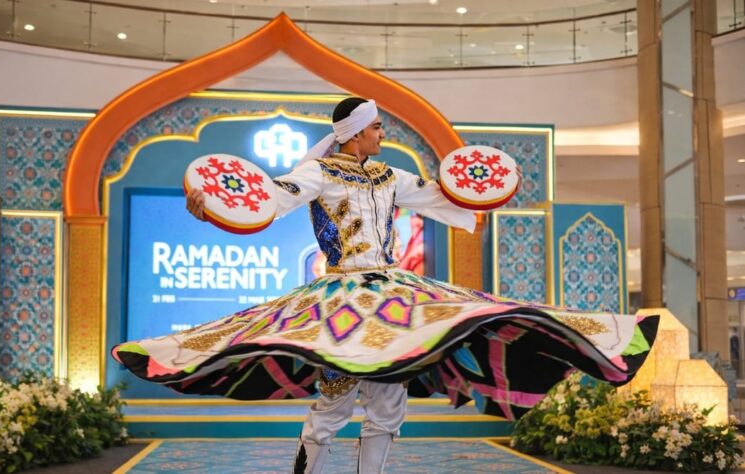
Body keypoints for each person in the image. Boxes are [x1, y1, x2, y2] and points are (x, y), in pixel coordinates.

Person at [113, 97, 658, 474]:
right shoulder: (318, 173)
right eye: (376, 127)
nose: (382, 134)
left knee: (389, 402)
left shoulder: (390, 176)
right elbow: (269, 199)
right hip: (341, 300)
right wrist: (212, 206)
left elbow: (443, 196)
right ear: (354, 134)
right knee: (332, 407)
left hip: (393, 298)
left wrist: (486, 191)